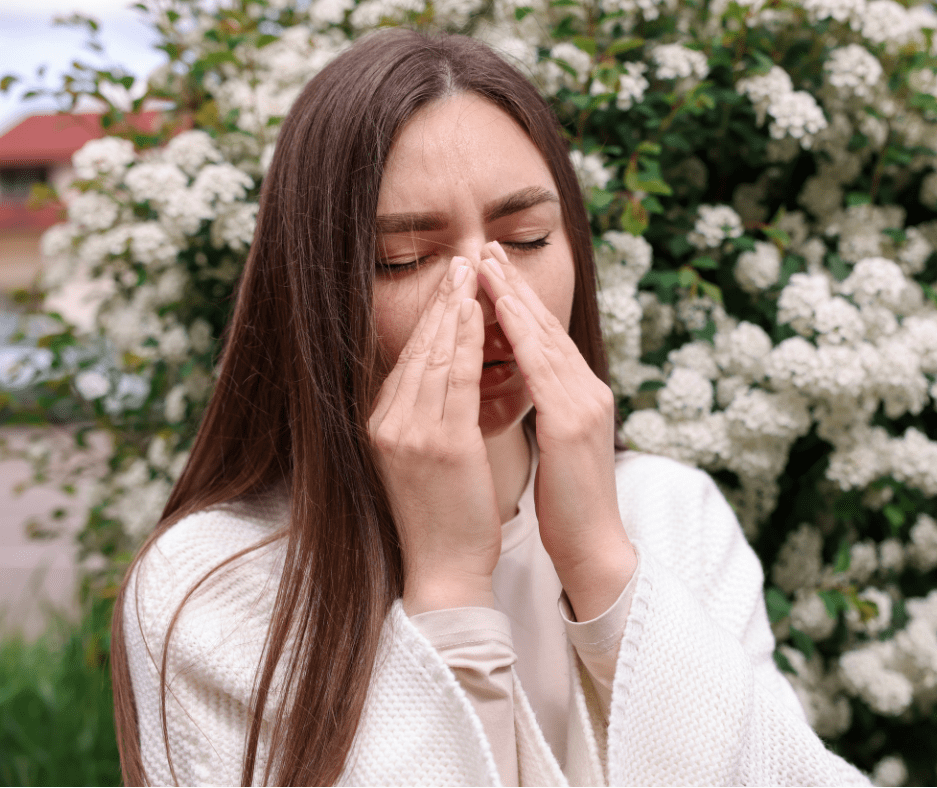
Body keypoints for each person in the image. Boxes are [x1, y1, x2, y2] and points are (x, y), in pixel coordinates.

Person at [111, 27, 871, 787]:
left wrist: (605, 572)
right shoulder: (211, 584)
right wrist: (447, 591)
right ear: (316, 290)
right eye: (405, 259)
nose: (485, 294)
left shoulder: (673, 514)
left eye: (529, 237)